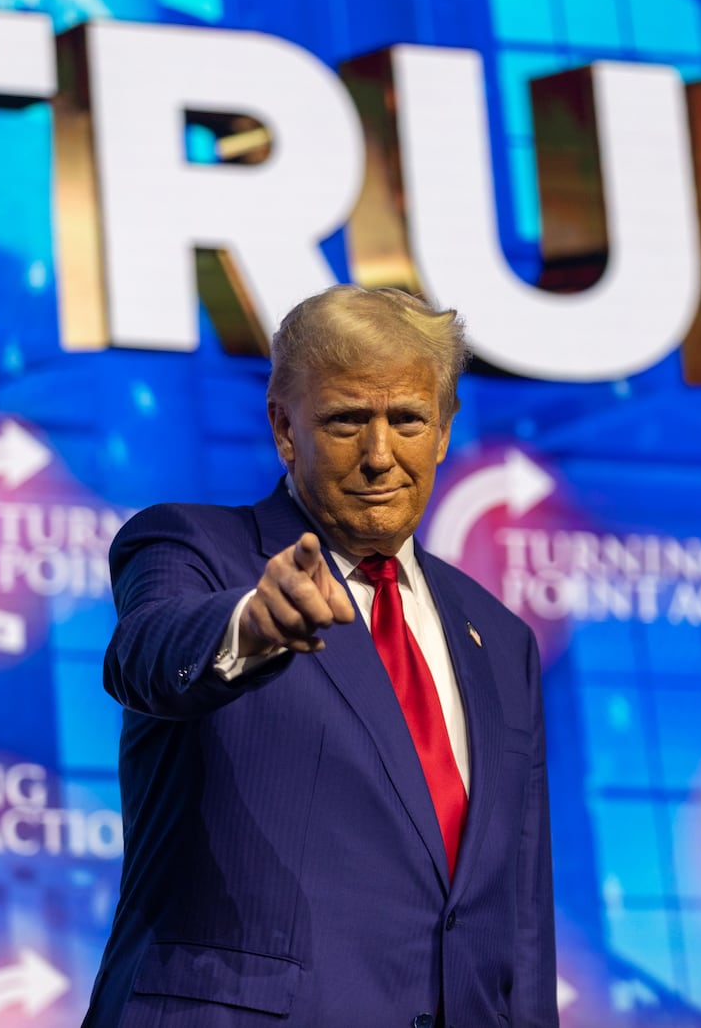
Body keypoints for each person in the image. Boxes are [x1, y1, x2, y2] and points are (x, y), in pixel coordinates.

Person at [82, 285, 556, 1028]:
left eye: (406, 419)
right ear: (284, 426)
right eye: (345, 421)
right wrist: (251, 625)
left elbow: (519, 918)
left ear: (443, 427)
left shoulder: (499, 639)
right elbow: (148, 651)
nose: (380, 455)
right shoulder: (192, 546)